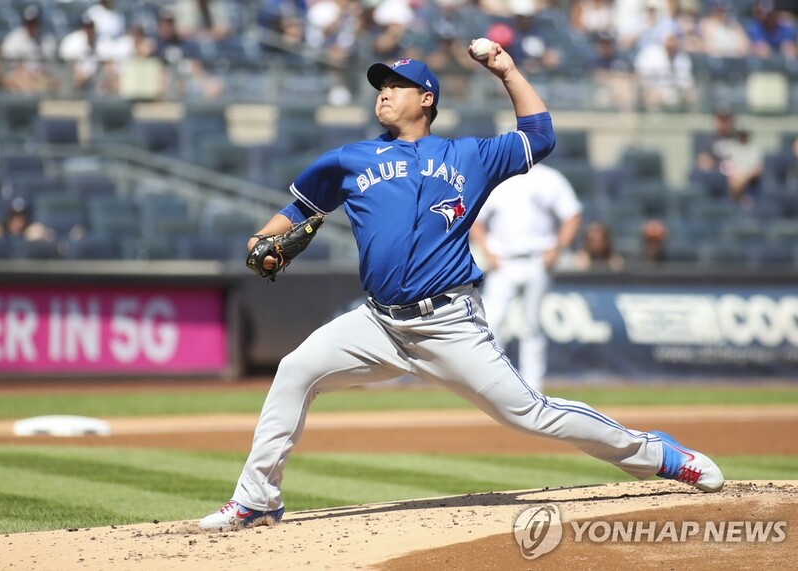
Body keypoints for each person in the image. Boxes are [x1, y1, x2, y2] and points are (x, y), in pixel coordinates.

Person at [199, 41, 724, 531]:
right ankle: (258, 498)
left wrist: (506, 71)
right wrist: (258, 239)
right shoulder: (349, 159)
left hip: (448, 322)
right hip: (377, 321)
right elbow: (298, 210)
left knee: (531, 415)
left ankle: (658, 454)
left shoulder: (468, 156)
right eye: (380, 84)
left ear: (426, 99)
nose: (383, 91)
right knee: (295, 370)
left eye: (396, 85)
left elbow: (539, 136)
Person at [470, 163, 583, 393]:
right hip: (503, 262)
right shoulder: (498, 177)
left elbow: (573, 214)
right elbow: (474, 217)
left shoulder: (548, 178)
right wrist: (486, 250)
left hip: (537, 260)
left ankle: (533, 389)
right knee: (492, 323)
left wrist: (558, 248)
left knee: (532, 325)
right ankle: (495, 386)